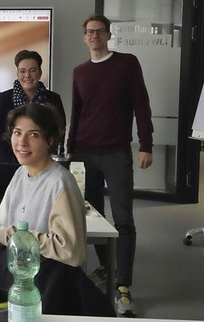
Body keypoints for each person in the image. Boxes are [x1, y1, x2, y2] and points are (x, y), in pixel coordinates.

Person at [67, 14, 154, 317]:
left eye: (99, 31)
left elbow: (141, 104)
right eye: (89, 32)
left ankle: (123, 286)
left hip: (117, 153)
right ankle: (108, 267)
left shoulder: (127, 63)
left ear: (108, 35)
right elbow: (77, 113)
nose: (94, 36)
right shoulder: (79, 72)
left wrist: (146, 144)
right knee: (93, 218)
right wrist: (69, 149)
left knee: (123, 220)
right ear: (85, 37)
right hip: (84, 154)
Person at [0, 103, 86, 267]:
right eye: (17, 133)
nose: (22, 142)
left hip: (47, 278)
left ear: (49, 141)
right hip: (18, 270)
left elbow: (70, 252)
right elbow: (2, 226)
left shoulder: (60, 183)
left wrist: (12, 236)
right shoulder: (20, 174)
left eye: (33, 135)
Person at [0, 50, 66, 164]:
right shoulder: (4, 99)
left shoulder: (53, 99)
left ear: (40, 73)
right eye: (22, 71)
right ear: (17, 74)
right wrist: (12, 162)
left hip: (42, 163)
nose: (27, 75)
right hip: (7, 162)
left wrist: (46, 160)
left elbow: (59, 132)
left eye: (32, 70)